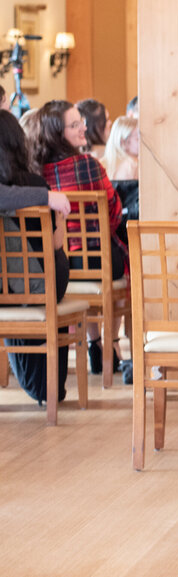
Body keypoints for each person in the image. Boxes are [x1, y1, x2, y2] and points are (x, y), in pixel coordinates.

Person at [31, 100, 125, 375]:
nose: (83, 127)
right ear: (57, 133)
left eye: (81, 121)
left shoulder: (35, 171)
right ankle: (111, 343)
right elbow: (114, 211)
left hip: (57, 264)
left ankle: (94, 341)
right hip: (97, 261)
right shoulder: (88, 164)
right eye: (74, 125)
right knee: (123, 258)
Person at [0, 111, 72, 404]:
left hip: (5, 287)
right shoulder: (37, 185)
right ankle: (49, 387)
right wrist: (48, 200)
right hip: (45, 284)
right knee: (55, 264)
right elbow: (55, 244)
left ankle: (38, 383)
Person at [101, 115, 140, 243]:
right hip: (130, 229)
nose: (142, 141)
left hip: (108, 229)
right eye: (137, 138)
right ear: (123, 142)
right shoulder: (133, 165)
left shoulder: (104, 164)